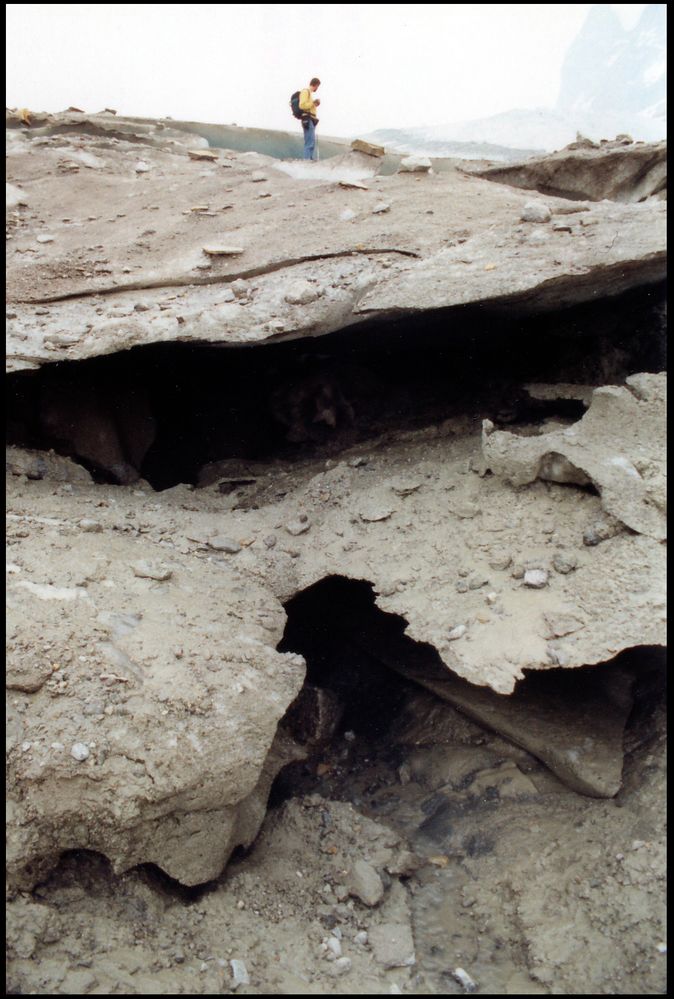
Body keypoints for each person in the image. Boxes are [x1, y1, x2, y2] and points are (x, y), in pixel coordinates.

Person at [299, 78, 321, 161]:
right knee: (309, 142)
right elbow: (302, 105)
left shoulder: (309, 94)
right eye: (318, 86)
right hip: (307, 119)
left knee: (311, 141)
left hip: (310, 119)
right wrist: (313, 103)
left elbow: (308, 106)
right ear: (316, 85)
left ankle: (309, 159)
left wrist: (314, 104)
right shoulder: (305, 92)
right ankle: (307, 160)